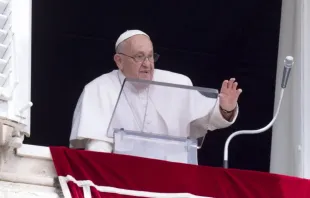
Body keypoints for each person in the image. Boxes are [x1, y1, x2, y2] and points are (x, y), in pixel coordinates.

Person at [69, 30, 242, 153]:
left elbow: (205, 120)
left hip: (172, 177)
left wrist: (225, 109)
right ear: (119, 61)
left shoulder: (177, 83)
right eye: (139, 57)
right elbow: (98, 146)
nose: (147, 64)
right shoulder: (99, 88)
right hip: (122, 177)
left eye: (150, 56)